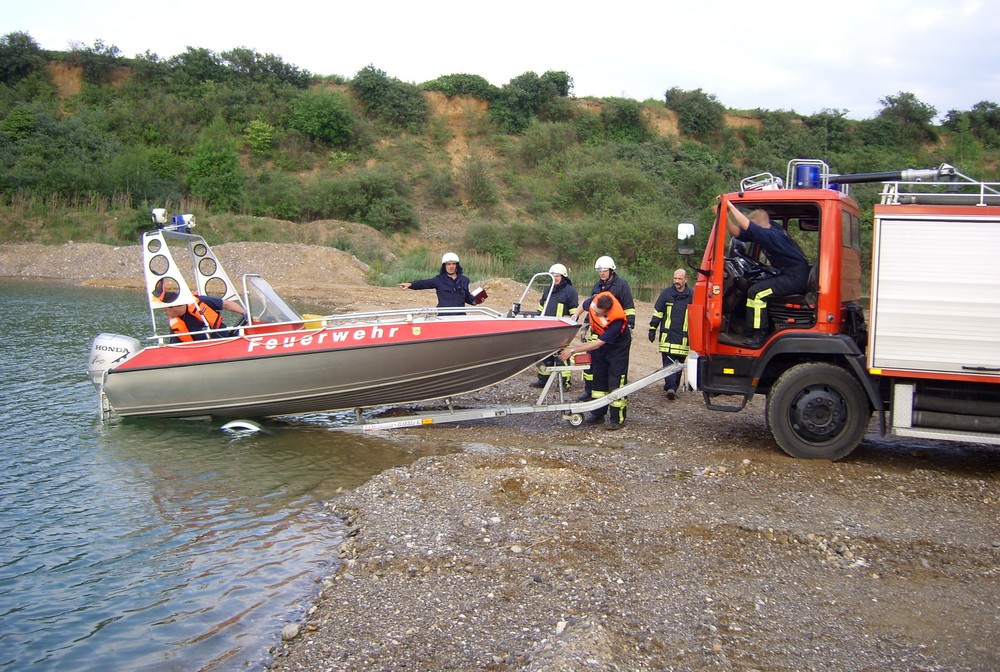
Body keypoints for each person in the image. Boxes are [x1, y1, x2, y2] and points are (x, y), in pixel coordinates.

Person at [723, 200, 809, 343]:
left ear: (758, 226)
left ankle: (759, 334)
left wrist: (730, 205)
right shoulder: (768, 230)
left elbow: (748, 227)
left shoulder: (771, 236)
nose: (749, 232)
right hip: (789, 274)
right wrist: (724, 216)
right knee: (752, 288)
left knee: (756, 293)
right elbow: (738, 233)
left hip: (795, 277)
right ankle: (750, 329)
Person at [558, 292, 632, 430]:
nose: (596, 315)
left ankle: (617, 419)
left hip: (617, 347)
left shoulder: (617, 321)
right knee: (598, 377)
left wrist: (573, 350)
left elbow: (598, 344)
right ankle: (597, 414)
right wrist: (575, 316)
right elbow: (583, 305)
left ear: (607, 311)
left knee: (616, 380)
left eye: (599, 314)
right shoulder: (596, 300)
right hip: (600, 340)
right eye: (595, 312)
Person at [577, 255, 635, 402]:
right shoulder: (597, 287)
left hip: (615, 332)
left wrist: (629, 326)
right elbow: (592, 308)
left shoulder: (621, 286)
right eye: (599, 270)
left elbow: (628, 308)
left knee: (614, 369)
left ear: (611, 270)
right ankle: (589, 390)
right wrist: (585, 325)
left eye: (604, 270)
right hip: (597, 331)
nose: (602, 273)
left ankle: (611, 395)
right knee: (594, 364)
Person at [529, 263, 579, 390]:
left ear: (563, 276)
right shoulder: (548, 290)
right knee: (545, 355)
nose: (555, 278)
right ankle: (543, 380)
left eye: (557, 275)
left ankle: (564, 383)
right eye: (553, 275)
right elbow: (541, 308)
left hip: (561, 330)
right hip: (546, 328)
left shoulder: (570, 291)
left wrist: (570, 323)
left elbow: (574, 312)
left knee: (561, 355)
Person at [153, 280, 245, 343]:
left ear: (175, 307)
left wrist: (245, 313)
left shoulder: (199, 302)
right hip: (202, 350)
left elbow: (226, 304)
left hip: (223, 341)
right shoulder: (175, 323)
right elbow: (174, 344)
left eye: (165, 309)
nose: (164, 312)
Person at [648, 268, 693, 400]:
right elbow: (658, 312)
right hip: (667, 336)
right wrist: (652, 328)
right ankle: (670, 387)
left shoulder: (692, 295)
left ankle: (674, 387)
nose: (677, 281)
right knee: (668, 363)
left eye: (679, 279)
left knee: (679, 364)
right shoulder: (666, 293)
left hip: (683, 338)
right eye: (675, 278)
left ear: (685, 280)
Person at [399, 252, 478, 311]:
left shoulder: (464, 280)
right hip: (443, 316)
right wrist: (411, 284)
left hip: (460, 316)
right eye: (448, 264)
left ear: (457, 265)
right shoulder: (439, 280)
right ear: (444, 266)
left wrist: (477, 299)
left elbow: (467, 298)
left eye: (453, 264)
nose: (451, 266)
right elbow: (424, 283)